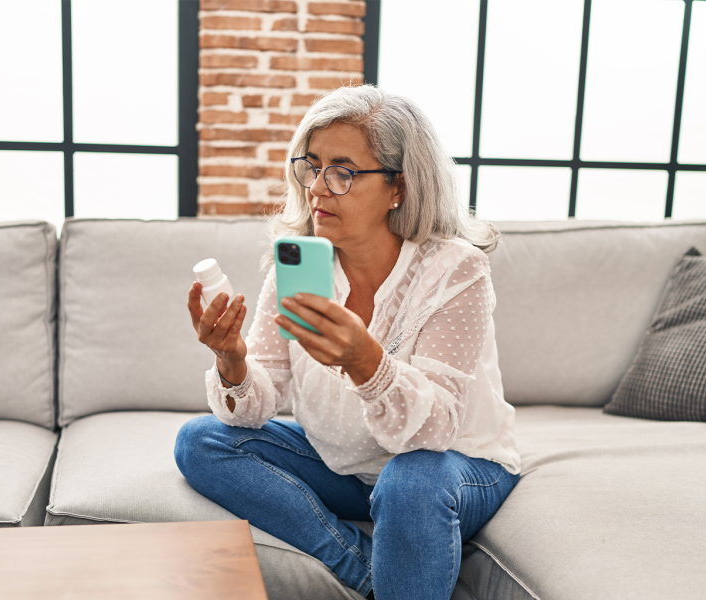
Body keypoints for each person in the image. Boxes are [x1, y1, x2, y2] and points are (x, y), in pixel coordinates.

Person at [175, 85, 520, 600]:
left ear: (398, 186)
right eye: (311, 167)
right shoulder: (298, 263)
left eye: (342, 172)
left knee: (410, 480)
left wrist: (366, 362)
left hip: (453, 464)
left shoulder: (455, 269)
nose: (317, 188)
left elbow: (435, 428)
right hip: (345, 467)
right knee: (201, 441)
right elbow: (258, 406)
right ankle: (358, 567)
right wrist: (232, 360)